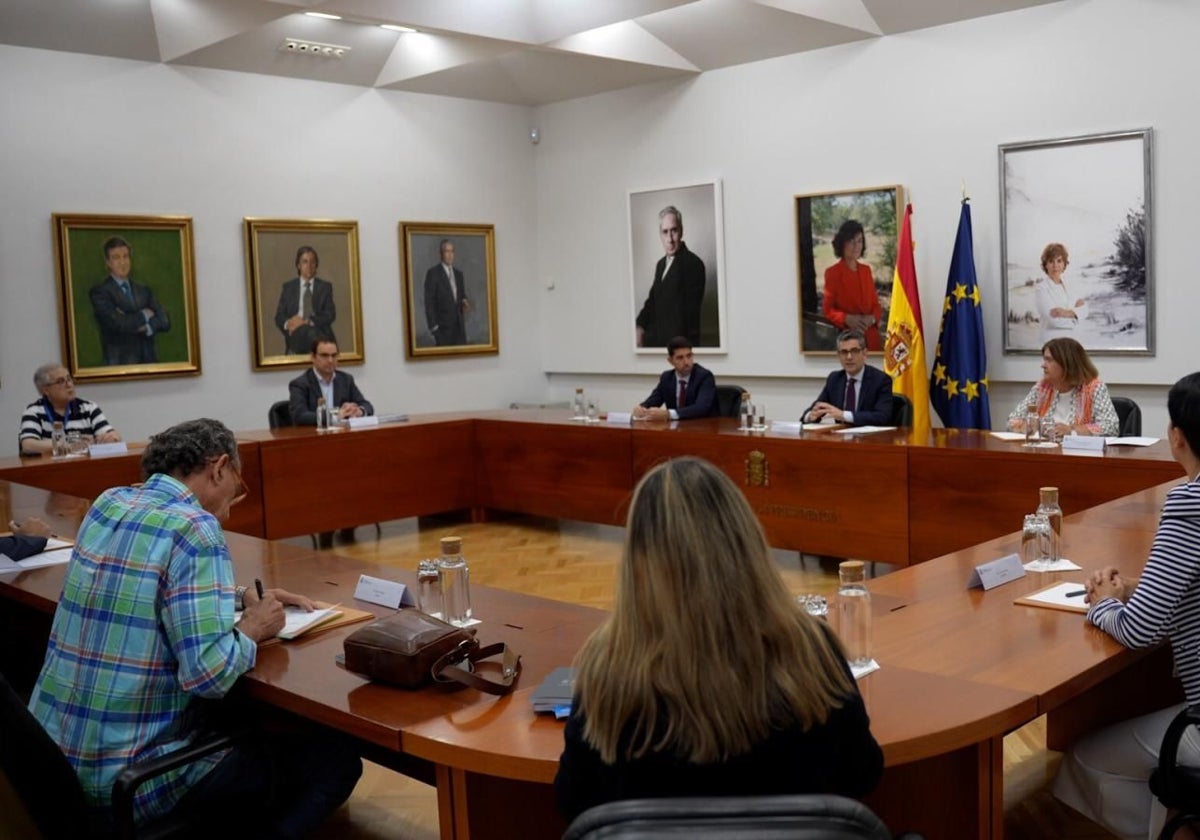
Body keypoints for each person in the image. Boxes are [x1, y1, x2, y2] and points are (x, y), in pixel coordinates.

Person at [28, 418, 362, 836]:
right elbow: (208, 674)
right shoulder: (195, 527)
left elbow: (142, 582)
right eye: (236, 486)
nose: (231, 503)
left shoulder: (108, 503)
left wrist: (238, 596)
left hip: (50, 770)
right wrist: (255, 627)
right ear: (219, 467)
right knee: (335, 759)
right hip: (128, 783)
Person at [554, 457, 883, 822]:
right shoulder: (811, 648)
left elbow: (575, 803)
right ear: (747, 541)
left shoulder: (608, 669)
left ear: (637, 562)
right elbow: (863, 772)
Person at [1052, 372, 1200, 839]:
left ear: (1175, 437)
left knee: (1083, 763)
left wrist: (1102, 604)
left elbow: (1138, 632)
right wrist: (1139, 586)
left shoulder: (1190, 502)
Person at [1006, 337, 1118, 437]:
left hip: (1081, 455)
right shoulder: (1042, 387)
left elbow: (1111, 427)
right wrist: (1025, 427)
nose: (1043, 365)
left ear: (1067, 363)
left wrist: (1072, 431)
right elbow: (1012, 420)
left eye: (1049, 360)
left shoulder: (1094, 388)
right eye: (1044, 359)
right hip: (1045, 452)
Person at [88, 236, 171, 365]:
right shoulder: (100, 293)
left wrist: (146, 327)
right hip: (120, 366)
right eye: (116, 258)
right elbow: (119, 324)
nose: (122, 262)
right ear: (108, 263)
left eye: (125, 256)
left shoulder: (144, 291)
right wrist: (145, 314)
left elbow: (164, 320)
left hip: (150, 364)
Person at [635, 206, 706, 347]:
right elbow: (652, 301)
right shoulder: (661, 264)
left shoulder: (693, 264)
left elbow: (684, 320)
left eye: (674, 230)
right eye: (665, 232)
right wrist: (639, 326)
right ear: (660, 235)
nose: (670, 239)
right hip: (657, 344)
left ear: (682, 231)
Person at [19, 363, 122, 455]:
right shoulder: (33, 412)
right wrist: (66, 445)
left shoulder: (88, 408)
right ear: (46, 390)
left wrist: (111, 437)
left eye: (69, 379)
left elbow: (113, 436)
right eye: (60, 381)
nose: (69, 384)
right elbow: (28, 445)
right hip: (50, 471)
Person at [802, 329, 893, 426]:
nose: (849, 357)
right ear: (838, 356)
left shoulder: (881, 380)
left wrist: (843, 415)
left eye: (854, 351)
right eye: (844, 352)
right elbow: (816, 408)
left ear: (865, 353)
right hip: (841, 438)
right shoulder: (835, 379)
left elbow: (882, 417)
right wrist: (811, 416)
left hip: (870, 439)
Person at [822, 220, 883, 351]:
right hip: (849, 341)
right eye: (851, 241)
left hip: (872, 340)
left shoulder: (866, 270)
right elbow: (828, 310)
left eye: (860, 240)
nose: (856, 246)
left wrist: (872, 319)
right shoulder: (833, 273)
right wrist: (846, 318)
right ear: (842, 243)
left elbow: (876, 306)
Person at [288, 338, 373, 425]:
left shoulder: (346, 380)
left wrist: (359, 411)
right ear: (313, 357)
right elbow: (299, 416)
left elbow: (367, 406)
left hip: (342, 435)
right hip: (315, 436)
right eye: (324, 355)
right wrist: (334, 416)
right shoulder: (300, 384)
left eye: (334, 355)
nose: (330, 360)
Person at [632, 336, 718, 421]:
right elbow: (653, 400)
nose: (686, 362)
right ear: (670, 361)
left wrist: (668, 414)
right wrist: (642, 408)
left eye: (689, 356)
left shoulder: (704, 376)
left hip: (702, 428)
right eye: (680, 358)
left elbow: (701, 408)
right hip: (675, 429)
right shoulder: (666, 378)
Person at [274, 245, 336, 355]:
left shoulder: (325, 287)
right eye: (305, 262)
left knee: (310, 330)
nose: (309, 266)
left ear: (316, 265)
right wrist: (290, 323)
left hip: (319, 331)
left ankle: (322, 353)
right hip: (296, 335)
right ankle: (323, 353)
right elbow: (279, 316)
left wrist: (307, 321)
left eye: (313, 262)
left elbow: (330, 314)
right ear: (298, 265)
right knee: (305, 331)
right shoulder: (288, 288)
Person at [1035, 242, 1088, 340]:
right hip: (1052, 341)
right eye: (1051, 261)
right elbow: (1054, 321)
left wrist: (1067, 313)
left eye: (1059, 261)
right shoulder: (1041, 288)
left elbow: (1085, 309)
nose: (1055, 265)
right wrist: (1077, 316)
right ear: (1045, 265)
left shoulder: (1070, 285)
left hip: (1072, 340)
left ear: (1064, 264)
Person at [423, 239, 470, 346]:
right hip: (442, 331)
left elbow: (461, 296)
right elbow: (428, 303)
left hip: (459, 330)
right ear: (441, 253)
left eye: (452, 251)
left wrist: (464, 301)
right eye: (446, 251)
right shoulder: (433, 274)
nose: (449, 255)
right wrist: (434, 329)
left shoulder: (459, 275)